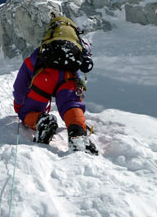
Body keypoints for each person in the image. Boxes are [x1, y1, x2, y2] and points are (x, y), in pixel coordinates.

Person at [12, 14, 97, 154]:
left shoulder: (40, 52)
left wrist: (19, 104)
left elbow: (20, 84)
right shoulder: (74, 47)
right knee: (71, 105)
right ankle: (78, 133)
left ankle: (42, 121)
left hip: (44, 78)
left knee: (28, 112)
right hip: (69, 77)